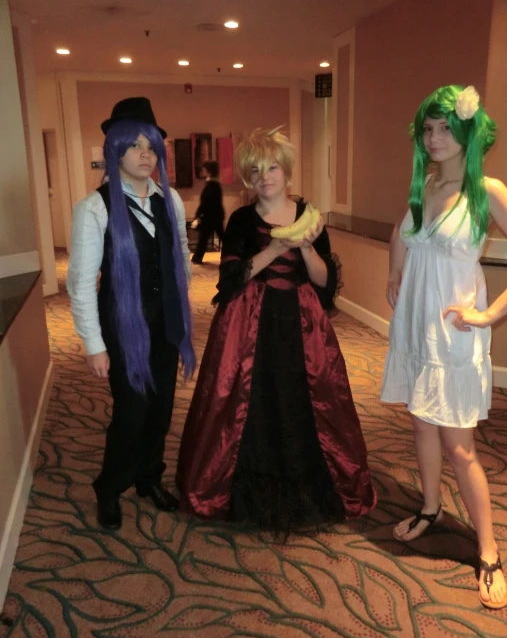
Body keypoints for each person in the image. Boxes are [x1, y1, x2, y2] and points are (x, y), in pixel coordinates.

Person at [381, 85, 507, 609]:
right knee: (420, 422)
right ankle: (431, 508)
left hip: (455, 338)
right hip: (416, 330)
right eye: (427, 130)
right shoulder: (426, 185)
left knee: (461, 447)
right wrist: (394, 269)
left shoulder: (488, 189)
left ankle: (490, 550)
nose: (434, 138)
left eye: (444, 128)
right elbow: (402, 231)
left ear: (466, 133)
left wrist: (490, 314)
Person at [176, 127, 375, 536]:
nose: (265, 176)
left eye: (272, 167)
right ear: (248, 178)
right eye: (255, 170)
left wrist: (304, 245)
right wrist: (276, 248)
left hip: (301, 322)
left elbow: (324, 281)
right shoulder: (243, 220)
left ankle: (307, 486)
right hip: (250, 323)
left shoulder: (310, 215)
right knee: (250, 399)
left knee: (306, 397)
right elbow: (231, 278)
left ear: (286, 170)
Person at [67, 97, 196, 531]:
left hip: (165, 325)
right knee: (132, 413)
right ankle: (110, 486)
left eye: (151, 145)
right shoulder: (95, 207)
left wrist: (180, 320)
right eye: (134, 146)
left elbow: (180, 259)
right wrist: (94, 345)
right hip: (122, 331)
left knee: (160, 410)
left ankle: (148, 477)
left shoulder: (170, 200)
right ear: (114, 151)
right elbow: (81, 283)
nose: (146, 154)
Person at [191, 160, 225, 264]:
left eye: (204, 169)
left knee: (204, 238)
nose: (202, 171)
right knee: (210, 237)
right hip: (215, 215)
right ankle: (197, 258)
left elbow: (206, 202)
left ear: (209, 172)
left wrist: (198, 215)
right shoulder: (213, 184)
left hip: (211, 216)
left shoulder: (212, 185)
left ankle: (197, 258)